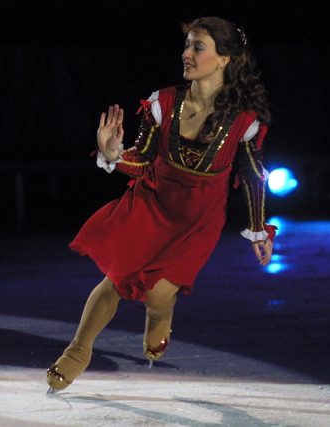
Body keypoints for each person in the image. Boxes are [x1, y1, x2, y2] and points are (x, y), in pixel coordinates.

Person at [46, 16, 276, 392]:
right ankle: (77, 352)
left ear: (224, 59)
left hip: (197, 221)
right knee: (117, 280)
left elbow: (253, 177)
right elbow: (143, 159)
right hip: (151, 203)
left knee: (157, 292)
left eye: (197, 47)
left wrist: (258, 231)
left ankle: (159, 314)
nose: (186, 54)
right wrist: (114, 153)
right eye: (186, 45)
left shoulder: (244, 122)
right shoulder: (164, 102)